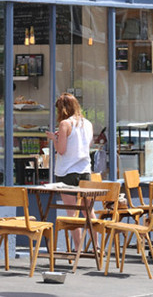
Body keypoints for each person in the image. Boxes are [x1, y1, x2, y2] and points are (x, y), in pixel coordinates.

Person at [44, 92, 95, 251]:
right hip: (85, 170)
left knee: (72, 213)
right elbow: (86, 145)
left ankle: (78, 247)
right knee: (88, 211)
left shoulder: (65, 124)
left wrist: (54, 139)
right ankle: (96, 246)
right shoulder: (87, 123)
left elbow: (62, 150)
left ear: (62, 109)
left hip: (66, 172)